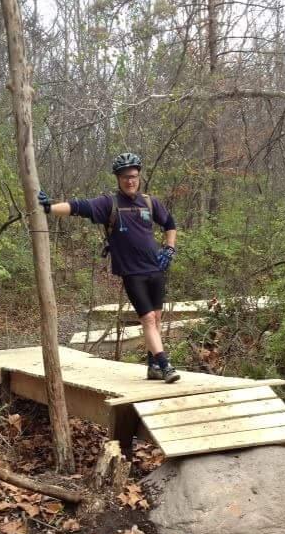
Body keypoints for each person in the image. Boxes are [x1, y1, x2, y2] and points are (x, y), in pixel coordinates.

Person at [38, 152, 180, 383]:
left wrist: (170, 248)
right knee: (147, 319)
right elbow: (78, 207)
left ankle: (153, 366)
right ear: (118, 179)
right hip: (132, 273)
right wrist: (50, 208)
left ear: (139, 176)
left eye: (133, 176)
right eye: (124, 177)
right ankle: (165, 366)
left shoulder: (149, 202)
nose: (129, 181)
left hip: (156, 269)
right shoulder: (109, 204)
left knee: (156, 317)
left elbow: (170, 224)